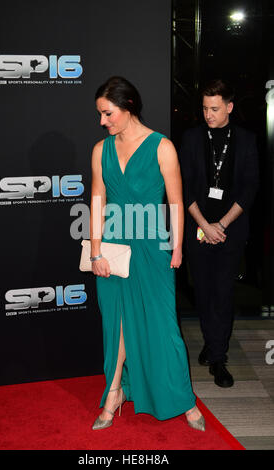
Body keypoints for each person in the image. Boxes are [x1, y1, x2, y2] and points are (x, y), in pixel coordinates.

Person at [90, 76, 205, 431]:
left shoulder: (161, 147)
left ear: (128, 108)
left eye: (107, 113)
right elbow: (97, 202)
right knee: (118, 324)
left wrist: (177, 246)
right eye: (100, 114)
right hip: (112, 245)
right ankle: (114, 393)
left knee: (164, 325)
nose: (102, 121)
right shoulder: (100, 150)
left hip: (152, 246)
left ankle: (182, 398)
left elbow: (175, 202)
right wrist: (95, 253)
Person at [179, 79, 259, 388]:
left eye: (214, 108)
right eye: (203, 108)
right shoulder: (191, 138)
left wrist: (221, 225)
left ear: (229, 106)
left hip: (231, 230)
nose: (208, 114)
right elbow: (183, 186)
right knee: (203, 290)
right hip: (198, 225)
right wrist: (203, 224)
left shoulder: (246, 140)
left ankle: (218, 358)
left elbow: (250, 188)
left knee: (223, 292)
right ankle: (213, 344)